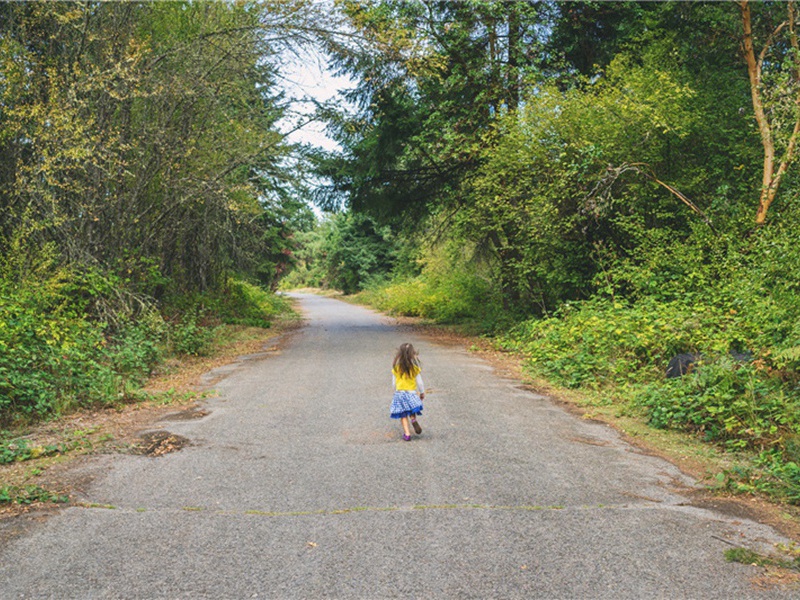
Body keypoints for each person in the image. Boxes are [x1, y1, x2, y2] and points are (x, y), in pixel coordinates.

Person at [390, 342, 425, 441]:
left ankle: (407, 434)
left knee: (403, 414)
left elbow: (394, 383)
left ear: (399, 354)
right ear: (412, 354)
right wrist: (422, 392)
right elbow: (420, 383)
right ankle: (413, 419)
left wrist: (395, 392)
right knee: (411, 409)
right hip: (411, 394)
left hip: (400, 394)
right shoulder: (414, 369)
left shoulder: (396, 368)